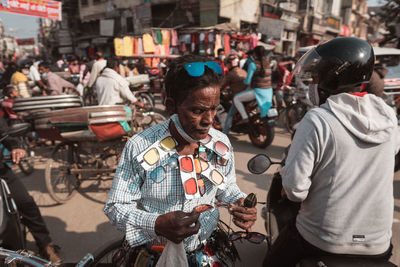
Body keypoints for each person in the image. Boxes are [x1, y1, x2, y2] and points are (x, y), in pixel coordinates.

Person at [104, 55, 257, 265]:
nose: (209, 120)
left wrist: (238, 202)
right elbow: (116, 206)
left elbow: (226, 186)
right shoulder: (139, 146)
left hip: (205, 252)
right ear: (171, 106)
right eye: (198, 111)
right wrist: (156, 223)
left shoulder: (221, 143)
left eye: (214, 108)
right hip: (154, 254)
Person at [263, 37, 398, 267]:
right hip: (378, 245)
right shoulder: (389, 119)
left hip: (322, 239)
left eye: (315, 77)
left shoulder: (318, 120)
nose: (313, 83)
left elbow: (295, 191)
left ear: (331, 78)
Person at [0, 115, 63, 264]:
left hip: (2, 172)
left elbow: (6, 135)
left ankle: (46, 245)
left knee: (25, 203)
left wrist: (15, 146)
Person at [233, 45, 273, 125]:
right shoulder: (268, 64)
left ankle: (245, 117)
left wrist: (242, 82)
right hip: (269, 91)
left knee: (236, 98)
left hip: (258, 91)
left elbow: (247, 81)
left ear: (254, 54)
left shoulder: (253, 64)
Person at [220, 54, 248, 134]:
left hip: (238, 97)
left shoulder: (231, 74)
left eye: (227, 63)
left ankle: (224, 133)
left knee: (230, 115)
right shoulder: (243, 71)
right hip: (247, 95)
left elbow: (221, 86)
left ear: (230, 64)